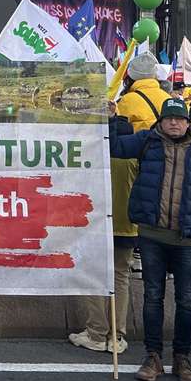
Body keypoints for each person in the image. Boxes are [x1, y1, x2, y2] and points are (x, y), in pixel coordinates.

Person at [110, 97, 191, 381]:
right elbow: (112, 147)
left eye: (179, 118)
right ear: (160, 121)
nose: (174, 123)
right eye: (169, 118)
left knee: (186, 300)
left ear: (189, 122)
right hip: (152, 235)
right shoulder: (146, 142)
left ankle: (182, 357)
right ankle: (153, 356)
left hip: (189, 239)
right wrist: (113, 119)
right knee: (153, 297)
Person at [67, 52, 165, 354]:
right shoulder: (143, 146)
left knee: (90, 272)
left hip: (98, 222)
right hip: (132, 221)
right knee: (121, 275)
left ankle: (97, 333)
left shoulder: (99, 154)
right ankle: (117, 336)